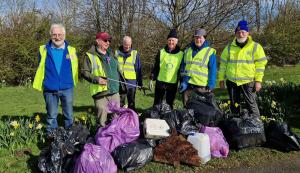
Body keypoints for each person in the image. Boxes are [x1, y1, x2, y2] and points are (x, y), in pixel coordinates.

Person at [32, 24, 78, 135]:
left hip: (67, 88)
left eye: (60, 34)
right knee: (52, 115)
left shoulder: (71, 50)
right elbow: (41, 67)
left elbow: (74, 68)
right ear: (50, 35)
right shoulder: (43, 50)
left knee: (69, 115)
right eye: (54, 35)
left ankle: (70, 136)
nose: (57, 37)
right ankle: (51, 137)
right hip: (49, 89)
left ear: (64, 35)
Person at [218, 20, 268, 117]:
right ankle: (236, 125)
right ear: (235, 34)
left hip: (248, 81)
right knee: (234, 105)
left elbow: (260, 65)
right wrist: (221, 79)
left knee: (251, 105)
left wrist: (258, 81)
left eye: (243, 32)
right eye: (238, 32)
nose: (241, 34)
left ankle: (257, 126)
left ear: (248, 33)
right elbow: (223, 65)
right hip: (232, 81)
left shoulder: (256, 47)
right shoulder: (229, 48)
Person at [82, 32, 121, 127]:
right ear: (97, 41)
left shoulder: (112, 53)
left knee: (116, 120)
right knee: (102, 121)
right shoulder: (90, 55)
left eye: (109, 40)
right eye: (105, 40)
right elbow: (84, 72)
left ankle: (115, 139)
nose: (108, 42)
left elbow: (117, 70)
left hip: (114, 91)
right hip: (101, 93)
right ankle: (101, 138)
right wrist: (97, 79)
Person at [179, 28, 217, 107]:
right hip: (188, 85)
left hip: (202, 87)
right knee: (187, 107)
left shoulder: (209, 52)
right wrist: (183, 81)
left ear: (204, 38)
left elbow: (212, 70)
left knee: (201, 108)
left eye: (200, 37)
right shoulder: (187, 51)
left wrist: (211, 84)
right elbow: (183, 67)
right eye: (196, 37)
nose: (198, 39)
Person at [150, 29, 183, 109]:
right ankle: (155, 118)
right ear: (167, 41)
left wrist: (181, 82)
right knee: (157, 103)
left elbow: (181, 70)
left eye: (173, 40)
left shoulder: (181, 54)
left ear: (176, 41)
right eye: (169, 40)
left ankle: (167, 119)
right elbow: (156, 66)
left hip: (172, 83)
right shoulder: (161, 52)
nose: (171, 42)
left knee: (169, 104)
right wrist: (152, 78)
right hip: (160, 82)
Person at [115, 36, 142, 111]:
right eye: (125, 44)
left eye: (129, 45)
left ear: (131, 44)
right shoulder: (116, 53)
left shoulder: (135, 53)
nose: (127, 47)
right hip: (120, 82)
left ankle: (131, 118)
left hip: (131, 83)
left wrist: (140, 83)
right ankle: (120, 118)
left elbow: (138, 69)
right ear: (122, 43)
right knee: (120, 102)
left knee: (131, 103)